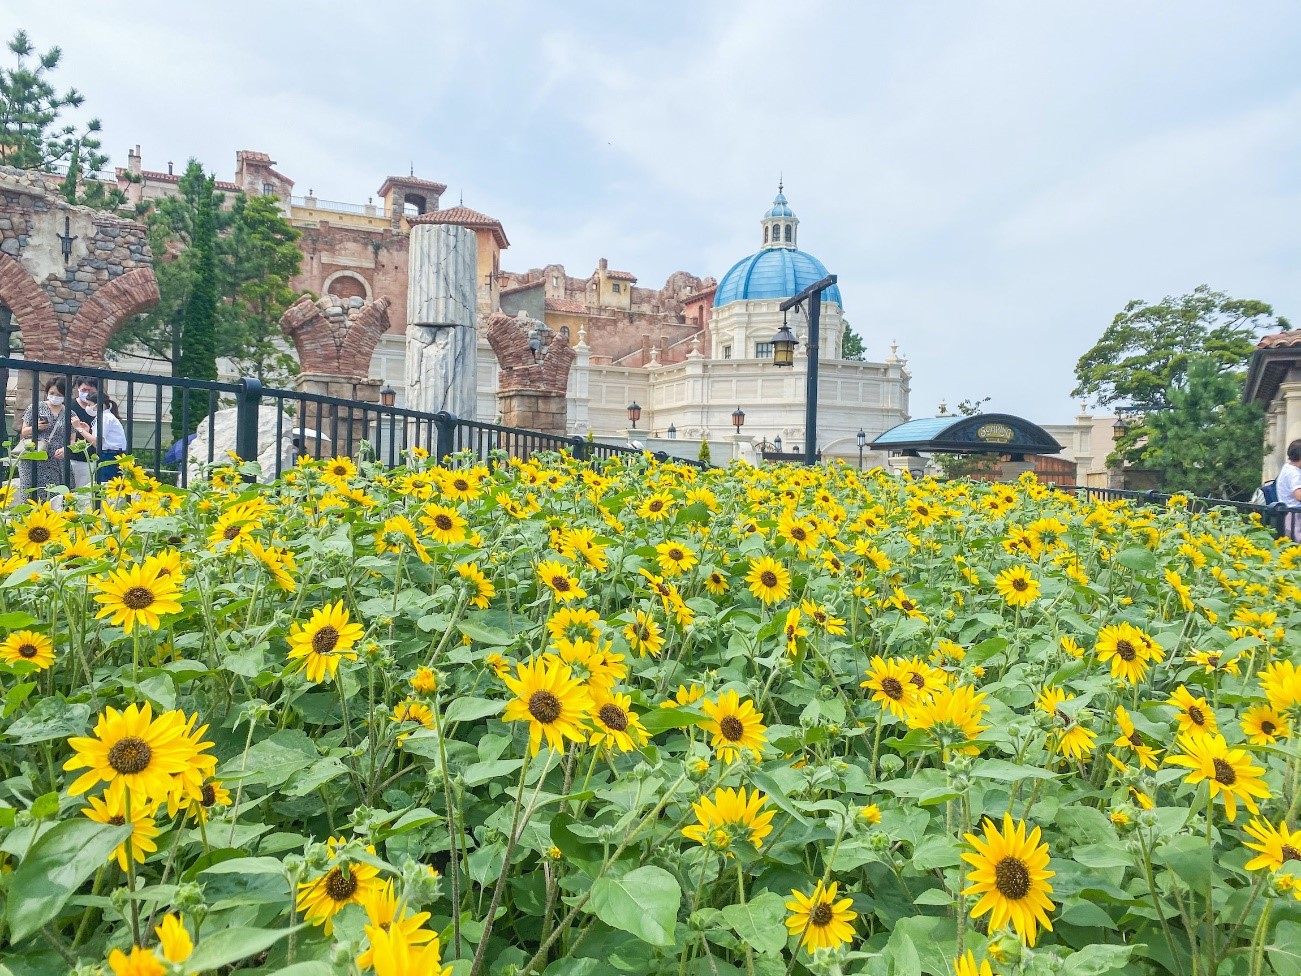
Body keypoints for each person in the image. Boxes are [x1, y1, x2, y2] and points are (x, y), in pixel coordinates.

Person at [17, 377, 71, 502]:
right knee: (31, 496)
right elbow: (23, 432)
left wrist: (65, 448)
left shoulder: (69, 412)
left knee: (53, 499)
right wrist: (35, 427)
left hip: (56, 461)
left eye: (59, 394)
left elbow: (71, 439)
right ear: (47, 392)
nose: (55, 397)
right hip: (34, 458)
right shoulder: (36, 407)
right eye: (52, 393)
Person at [70, 391, 128, 484]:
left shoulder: (105, 418)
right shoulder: (104, 417)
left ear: (97, 405)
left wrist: (79, 428)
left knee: (106, 486)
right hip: (110, 454)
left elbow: (97, 442)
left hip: (110, 456)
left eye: (89, 404)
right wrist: (87, 431)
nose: (87, 407)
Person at [1277, 438, 1301, 542]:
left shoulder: (1287, 467)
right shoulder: (1294, 473)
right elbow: (1298, 495)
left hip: (1288, 513)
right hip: (1294, 515)